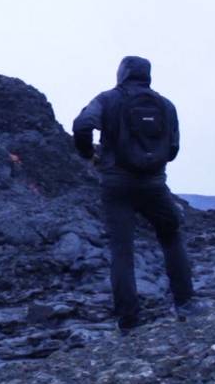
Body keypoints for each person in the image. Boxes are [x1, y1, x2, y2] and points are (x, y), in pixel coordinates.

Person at [72, 56, 206, 332]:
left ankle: (129, 322)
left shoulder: (107, 99)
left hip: (116, 185)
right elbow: (173, 149)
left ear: (122, 73)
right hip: (154, 185)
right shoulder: (165, 105)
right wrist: (152, 162)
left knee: (122, 251)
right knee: (170, 237)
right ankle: (186, 304)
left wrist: (89, 154)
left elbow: (82, 125)